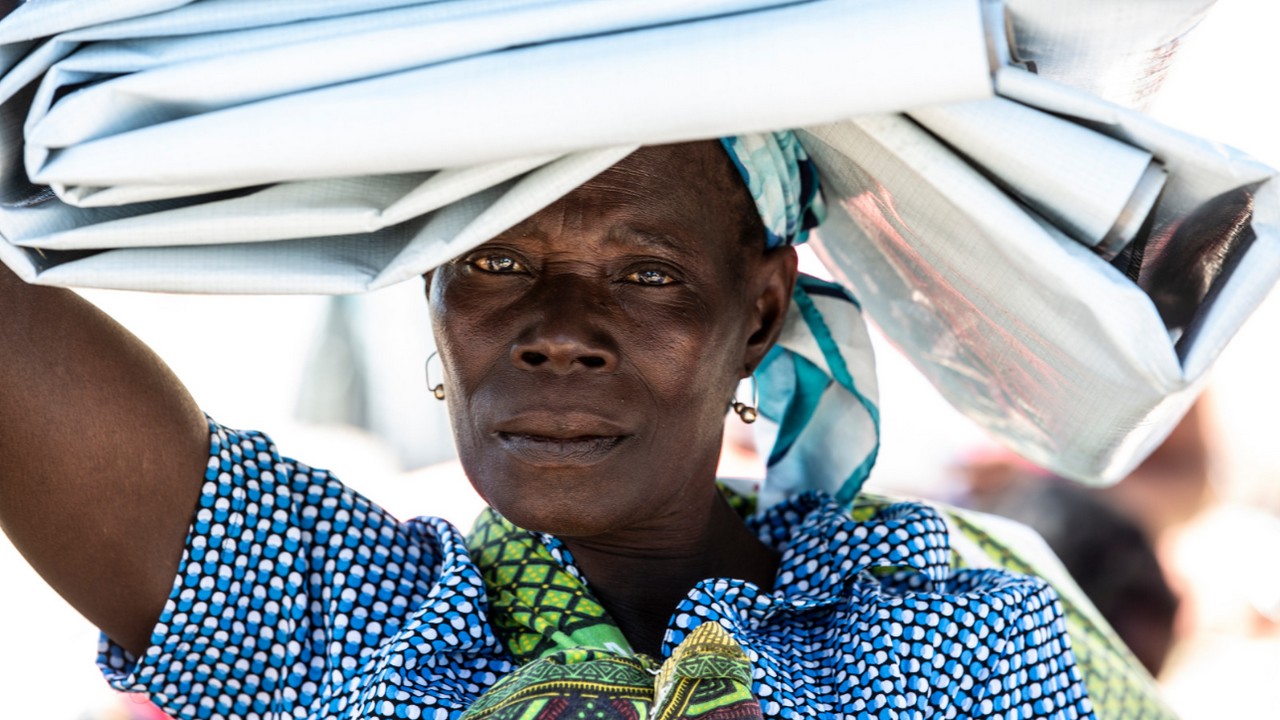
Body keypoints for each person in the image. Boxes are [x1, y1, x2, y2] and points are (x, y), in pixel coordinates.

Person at [0, 137, 1096, 719]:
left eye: (648, 274)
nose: (559, 334)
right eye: (496, 263)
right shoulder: (343, 628)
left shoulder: (938, 650)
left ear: (757, 310)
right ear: (426, 290)